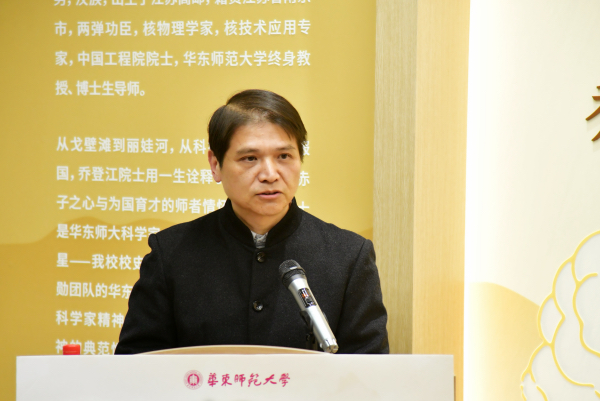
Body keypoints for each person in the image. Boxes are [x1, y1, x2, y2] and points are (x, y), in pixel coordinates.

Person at [115, 89, 389, 354]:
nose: (270, 174)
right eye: (250, 158)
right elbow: (135, 365)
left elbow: (369, 370)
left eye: (284, 156)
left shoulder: (348, 256)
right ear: (215, 164)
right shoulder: (171, 254)